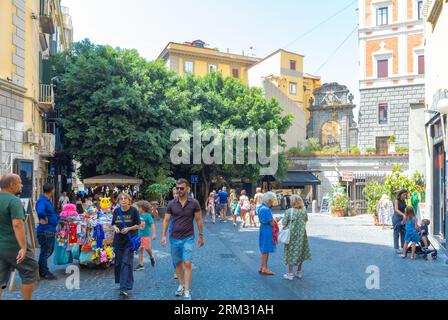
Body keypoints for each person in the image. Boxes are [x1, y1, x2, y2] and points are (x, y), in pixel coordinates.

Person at [161, 179, 204, 300]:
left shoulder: (194, 203)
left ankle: (187, 290)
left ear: (188, 189)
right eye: (177, 188)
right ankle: (181, 284)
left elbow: (199, 220)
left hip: (188, 238)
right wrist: (163, 235)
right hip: (174, 238)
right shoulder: (171, 204)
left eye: (182, 188)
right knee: (178, 263)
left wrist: (201, 236)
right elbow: (166, 220)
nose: (179, 190)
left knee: (187, 263)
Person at [0, 174, 38, 300]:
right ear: (12, 185)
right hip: (15, 246)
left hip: (1, 246)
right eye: (20, 182)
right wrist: (23, 247)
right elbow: (17, 224)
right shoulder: (14, 201)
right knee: (29, 271)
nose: (22, 185)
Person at [111, 193, 141, 298]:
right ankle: (123, 282)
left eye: (125, 198)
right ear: (119, 201)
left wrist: (128, 229)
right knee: (118, 263)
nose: (123, 200)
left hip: (129, 240)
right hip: (118, 240)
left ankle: (124, 287)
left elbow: (139, 224)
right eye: (121, 199)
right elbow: (113, 223)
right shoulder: (116, 211)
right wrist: (115, 228)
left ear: (129, 200)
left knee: (126, 262)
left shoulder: (134, 211)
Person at [282, 196, 311, 281]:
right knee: (301, 252)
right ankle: (299, 272)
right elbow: (306, 220)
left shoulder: (288, 211)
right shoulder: (304, 211)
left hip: (291, 235)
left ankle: (290, 273)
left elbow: (284, 223)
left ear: (292, 202)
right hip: (301, 234)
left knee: (290, 252)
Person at [36, 183, 59, 280]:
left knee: (47, 251)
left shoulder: (46, 201)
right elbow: (40, 211)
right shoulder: (42, 201)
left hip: (49, 230)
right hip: (46, 231)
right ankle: (43, 272)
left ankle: (41, 268)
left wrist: (62, 218)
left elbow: (52, 215)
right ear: (52, 190)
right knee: (45, 251)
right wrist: (44, 217)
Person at [258, 192, 277, 275]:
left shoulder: (260, 207)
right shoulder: (267, 209)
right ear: (269, 200)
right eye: (272, 201)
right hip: (267, 230)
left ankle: (262, 267)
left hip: (262, 228)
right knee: (266, 250)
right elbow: (272, 223)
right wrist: (277, 220)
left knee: (263, 249)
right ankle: (265, 268)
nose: (272, 203)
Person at [135, 201, 156, 271]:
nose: (138, 208)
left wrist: (154, 234)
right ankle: (141, 264)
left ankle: (151, 256)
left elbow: (152, 224)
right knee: (140, 249)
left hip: (146, 235)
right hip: (138, 235)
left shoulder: (148, 216)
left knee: (147, 248)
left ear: (143, 208)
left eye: (139, 207)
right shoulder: (138, 214)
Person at [393, 189, 408, 254]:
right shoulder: (397, 201)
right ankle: (396, 248)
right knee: (396, 233)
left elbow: (405, 209)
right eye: (404, 195)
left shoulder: (404, 201)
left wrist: (407, 216)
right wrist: (403, 215)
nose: (405, 196)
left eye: (406, 195)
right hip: (397, 218)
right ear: (401, 194)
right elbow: (396, 209)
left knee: (403, 232)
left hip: (403, 218)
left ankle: (403, 247)